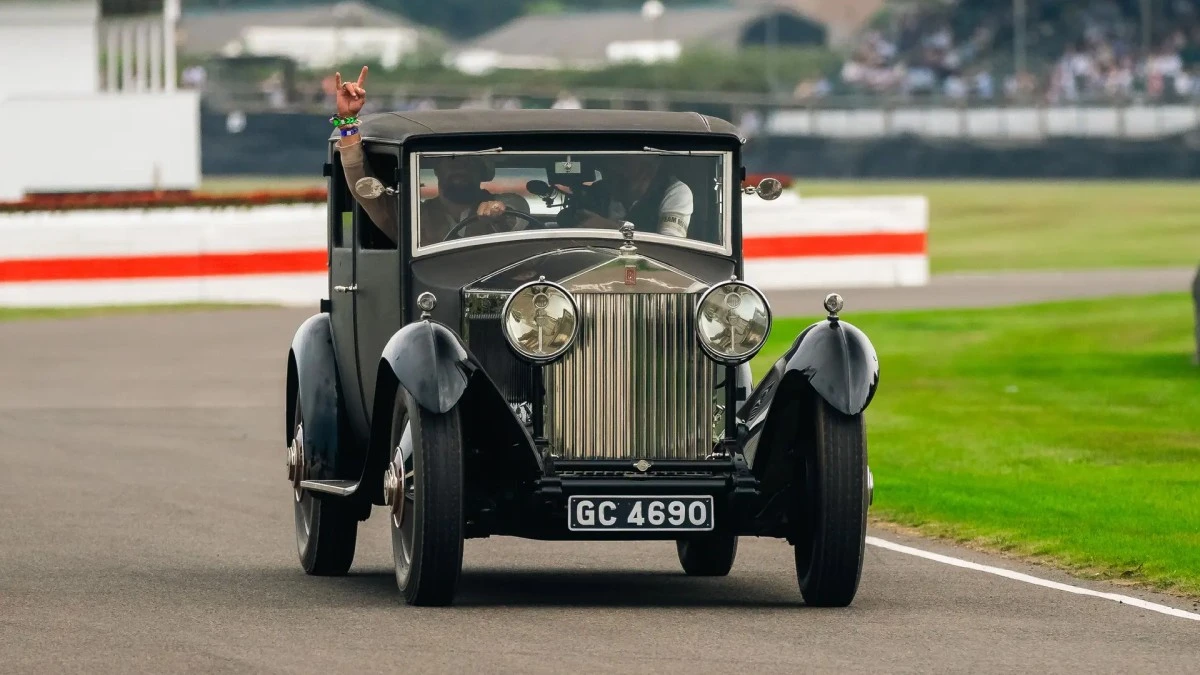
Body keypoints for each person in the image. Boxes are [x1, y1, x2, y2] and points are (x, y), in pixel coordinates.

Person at [332, 66, 529, 245]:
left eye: (469, 162)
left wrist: (498, 212)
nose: (460, 167)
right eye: (451, 160)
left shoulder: (506, 204)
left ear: (482, 172)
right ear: (438, 169)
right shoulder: (414, 218)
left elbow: (515, 211)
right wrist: (347, 123)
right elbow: (363, 188)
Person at [565, 155, 693, 238]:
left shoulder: (674, 191)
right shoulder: (599, 191)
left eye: (622, 162)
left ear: (651, 165)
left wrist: (611, 228)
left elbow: (670, 247)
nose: (612, 168)